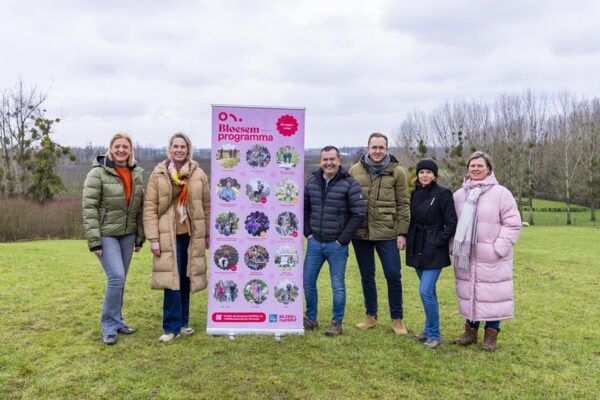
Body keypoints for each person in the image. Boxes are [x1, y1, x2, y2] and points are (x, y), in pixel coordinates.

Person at [143, 132, 210, 342]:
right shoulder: (158, 174)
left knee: (186, 277)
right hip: (167, 235)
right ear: (169, 149)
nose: (179, 150)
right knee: (172, 279)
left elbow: (207, 206)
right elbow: (150, 208)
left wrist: (207, 233)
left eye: (183, 146)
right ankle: (170, 327)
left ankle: (183, 323)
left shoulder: (198, 174)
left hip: (191, 235)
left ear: (188, 150)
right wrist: (153, 238)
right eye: (176, 146)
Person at [453, 151, 521, 351]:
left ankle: (491, 335)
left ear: (489, 169)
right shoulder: (459, 195)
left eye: (480, 166)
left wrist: (498, 248)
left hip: (492, 257)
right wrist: (454, 247)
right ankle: (470, 331)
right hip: (466, 256)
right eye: (472, 166)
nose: (475, 169)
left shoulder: (501, 193)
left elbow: (513, 223)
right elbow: (452, 224)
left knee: (493, 295)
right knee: (469, 292)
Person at [82, 132, 145, 345]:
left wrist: (139, 237)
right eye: (117, 146)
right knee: (116, 277)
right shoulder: (97, 173)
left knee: (120, 281)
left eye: (125, 147)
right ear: (110, 148)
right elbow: (89, 208)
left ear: (130, 150)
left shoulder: (136, 173)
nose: (121, 150)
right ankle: (108, 326)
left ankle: (118, 321)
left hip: (127, 235)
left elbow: (139, 209)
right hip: (106, 234)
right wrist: (94, 241)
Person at [349, 132, 410, 335]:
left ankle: (397, 319)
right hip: (361, 234)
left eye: (381, 147)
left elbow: (403, 204)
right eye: (374, 147)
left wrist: (402, 233)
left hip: (388, 232)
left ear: (387, 149)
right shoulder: (354, 170)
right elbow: (348, 202)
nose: (377, 151)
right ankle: (371, 316)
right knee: (367, 276)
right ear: (368, 148)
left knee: (393, 275)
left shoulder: (398, 172)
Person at [303, 146, 366, 336]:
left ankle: (336, 323)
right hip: (315, 243)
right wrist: (308, 233)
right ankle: (311, 318)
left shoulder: (349, 184)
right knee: (308, 282)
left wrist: (342, 239)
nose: (328, 163)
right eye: (325, 160)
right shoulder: (312, 181)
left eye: (332, 159)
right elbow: (304, 209)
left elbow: (358, 214)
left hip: (336, 246)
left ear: (339, 160)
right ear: (320, 161)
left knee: (337, 285)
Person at [405, 159, 457, 349]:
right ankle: (428, 330)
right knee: (430, 292)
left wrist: (437, 241)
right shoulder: (414, 194)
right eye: (421, 172)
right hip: (416, 245)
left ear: (435, 175)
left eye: (428, 172)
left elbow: (451, 223)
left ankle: (434, 335)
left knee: (425, 291)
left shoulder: (443, 194)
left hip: (434, 249)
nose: (424, 175)